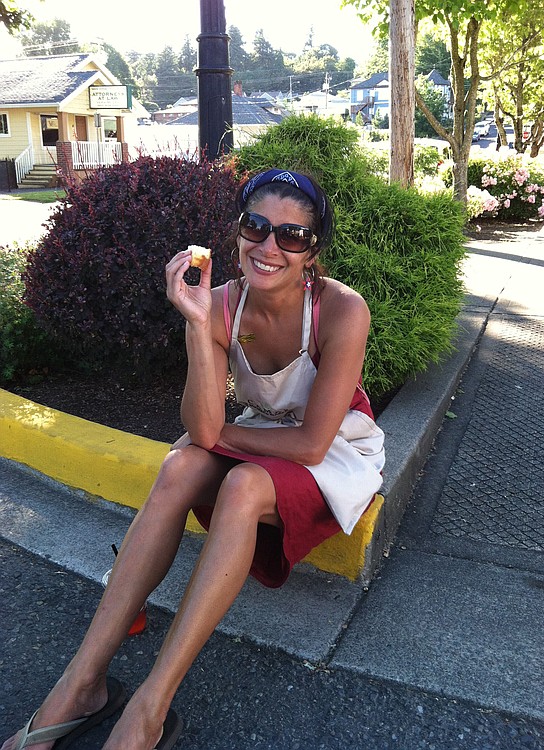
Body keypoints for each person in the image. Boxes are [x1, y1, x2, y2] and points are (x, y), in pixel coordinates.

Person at [2, 168, 385, 750]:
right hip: (259, 435)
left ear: (313, 252)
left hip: (334, 450)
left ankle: (151, 707)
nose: (269, 247)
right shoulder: (221, 304)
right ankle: (80, 684)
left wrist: (220, 434)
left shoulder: (340, 310)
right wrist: (197, 321)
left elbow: (309, 443)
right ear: (236, 233)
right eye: (256, 227)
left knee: (242, 487)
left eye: (293, 236)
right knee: (179, 466)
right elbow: (203, 427)